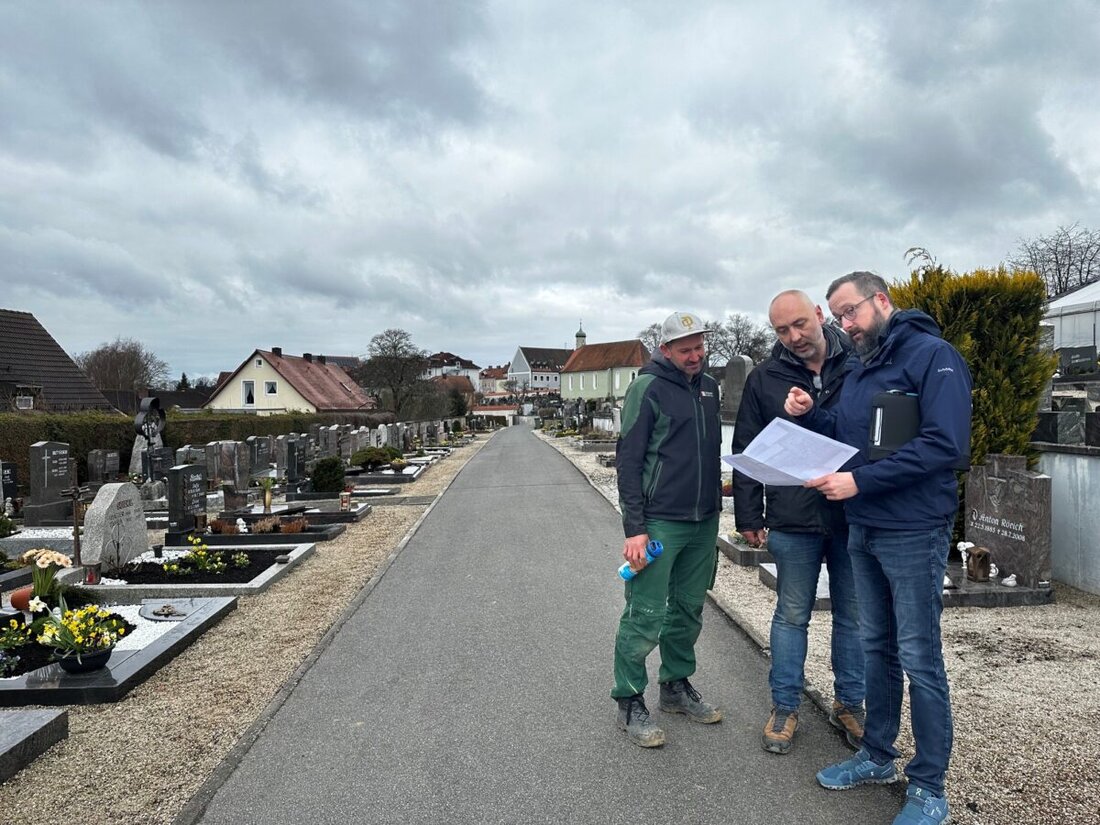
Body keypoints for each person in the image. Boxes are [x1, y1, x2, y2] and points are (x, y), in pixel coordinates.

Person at [784, 272, 971, 825]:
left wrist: (860, 483)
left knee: (919, 655)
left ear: (882, 301)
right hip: (862, 527)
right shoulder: (865, 367)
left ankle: (930, 787)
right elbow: (850, 440)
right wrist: (808, 415)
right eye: (838, 316)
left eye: (851, 312)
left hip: (913, 528)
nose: (845, 324)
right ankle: (879, 756)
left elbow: (946, 444)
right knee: (877, 649)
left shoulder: (933, 356)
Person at [731, 290, 865, 756]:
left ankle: (850, 703)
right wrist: (749, 514)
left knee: (853, 616)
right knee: (791, 616)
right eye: (781, 331)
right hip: (792, 515)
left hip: (851, 514)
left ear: (819, 315)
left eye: (799, 326)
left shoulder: (859, 363)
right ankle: (785, 705)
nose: (793, 337)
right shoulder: (765, 379)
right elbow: (747, 447)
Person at [612, 311, 724, 747]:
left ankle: (675, 686)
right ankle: (629, 699)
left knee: (688, 610)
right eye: (685, 350)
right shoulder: (648, 388)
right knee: (645, 614)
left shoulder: (710, 389)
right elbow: (629, 461)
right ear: (666, 350)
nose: (695, 356)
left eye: (699, 347)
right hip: (660, 523)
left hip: (703, 519)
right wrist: (635, 528)